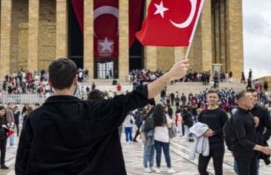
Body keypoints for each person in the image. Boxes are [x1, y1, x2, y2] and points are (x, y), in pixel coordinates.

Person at [16, 58, 189, 174]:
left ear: (50, 82)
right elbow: (139, 96)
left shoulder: (34, 118)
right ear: (76, 80)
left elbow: (21, 165)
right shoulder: (97, 110)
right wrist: (170, 75)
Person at [233, 91, 271, 175]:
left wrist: (255, 120)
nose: (253, 100)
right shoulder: (239, 117)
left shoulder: (248, 113)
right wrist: (261, 148)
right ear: (242, 102)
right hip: (244, 155)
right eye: (250, 99)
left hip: (252, 154)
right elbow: (242, 139)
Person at [197, 90, 228, 175]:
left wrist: (214, 133)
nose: (212, 99)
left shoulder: (222, 112)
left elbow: (227, 128)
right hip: (205, 144)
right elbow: (198, 127)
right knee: (201, 168)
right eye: (210, 97)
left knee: (218, 170)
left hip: (217, 144)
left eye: (214, 97)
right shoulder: (202, 113)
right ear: (207, 98)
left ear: (217, 99)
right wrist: (202, 132)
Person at [248, 89, 271, 168]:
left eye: (255, 96)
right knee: (238, 168)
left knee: (254, 169)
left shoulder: (263, 111)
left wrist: (262, 139)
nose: (254, 98)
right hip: (242, 145)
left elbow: (270, 128)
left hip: (256, 145)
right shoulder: (242, 110)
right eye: (251, 96)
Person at [153, 104, 175, 174]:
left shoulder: (153, 116)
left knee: (158, 153)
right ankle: (169, 168)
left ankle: (158, 168)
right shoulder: (165, 116)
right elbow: (169, 125)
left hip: (156, 137)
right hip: (165, 137)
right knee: (167, 153)